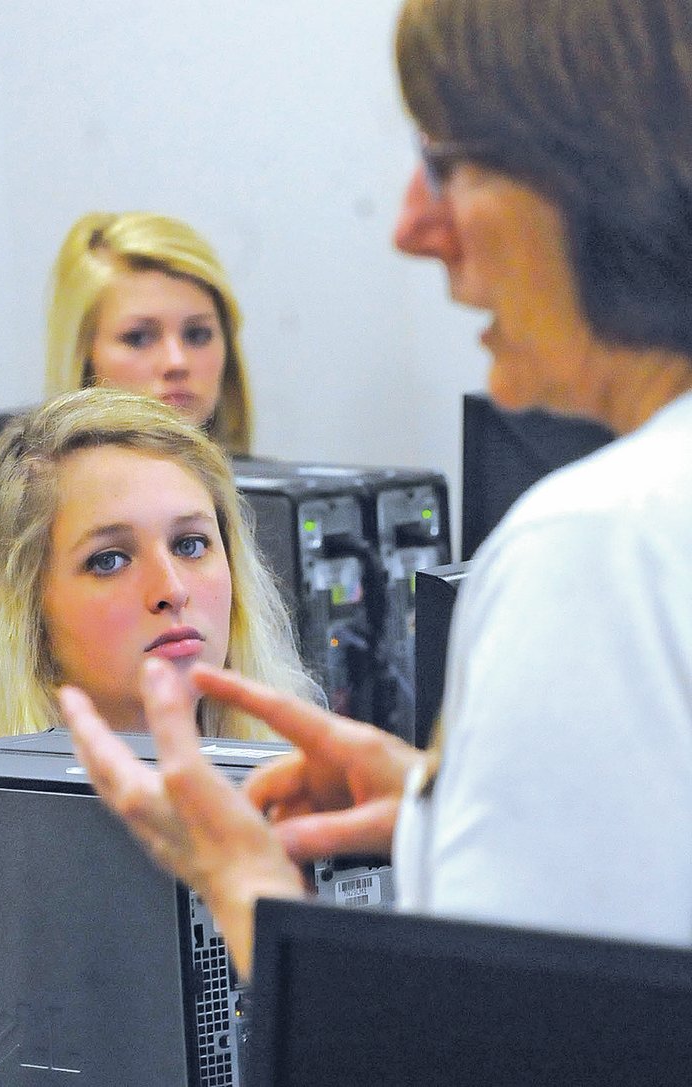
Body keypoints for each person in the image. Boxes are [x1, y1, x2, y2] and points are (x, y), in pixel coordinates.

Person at [61, 0, 692, 983]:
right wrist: (455, 815)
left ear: (594, 175)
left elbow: (483, 1047)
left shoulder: (594, 545)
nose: (410, 227)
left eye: (451, 165)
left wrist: (239, 881)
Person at [0, 387, 318, 742]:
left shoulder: (303, 780)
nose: (172, 590)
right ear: (26, 607)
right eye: (109, 560)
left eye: (190, 545)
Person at [45, 212, 254, 454]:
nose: (177, 362)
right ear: (84, 355)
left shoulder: (274, 489)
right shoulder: (42, 490)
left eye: (197, 335)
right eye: (138, 338)